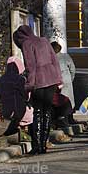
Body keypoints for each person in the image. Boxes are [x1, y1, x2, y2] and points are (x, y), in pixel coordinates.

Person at [13, 24, 63, 155]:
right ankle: (43, 146)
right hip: (51, 80)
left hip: (39, 82)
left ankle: (36, 147)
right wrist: (59, 80)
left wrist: (29, 85)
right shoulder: (44, 41)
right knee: (47, 112)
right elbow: (55, 61)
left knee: (37, 113)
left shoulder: (26, 43)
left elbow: (30, 66)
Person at [0, 56, 30, 137]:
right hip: (19, 109)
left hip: (5, 109)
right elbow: (26, 96)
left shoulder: (2, 79)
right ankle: (23, 130)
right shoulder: (21, 79)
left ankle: (12, 130)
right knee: (29, 112)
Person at [51, 41, 76, 108]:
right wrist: (71, 79)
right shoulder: (65, 56)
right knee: (69, 99)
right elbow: (72, 69)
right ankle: (70, 114)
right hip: (66, 78)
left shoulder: (50, 58)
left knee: (60, 100)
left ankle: (61, 114)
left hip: (56, 81)